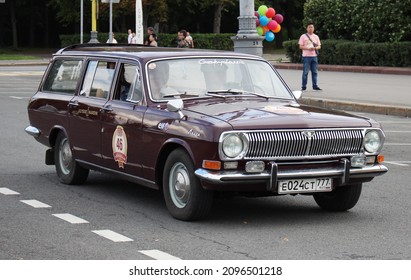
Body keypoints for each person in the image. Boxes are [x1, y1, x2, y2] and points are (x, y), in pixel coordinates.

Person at [298, 22, 321, 91]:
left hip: (314, 56)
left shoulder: (316, 36)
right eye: (309, 27)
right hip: (306, 56)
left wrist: (315, 48)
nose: (311, 28)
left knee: (315, 72)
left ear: (314, 28)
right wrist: (308, 48)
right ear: (307, 28)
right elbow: (300, 46)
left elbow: (319, 46)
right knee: (305, 72)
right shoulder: (303, 36)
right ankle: (303, 86)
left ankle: (315, 85)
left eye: (312, 27)